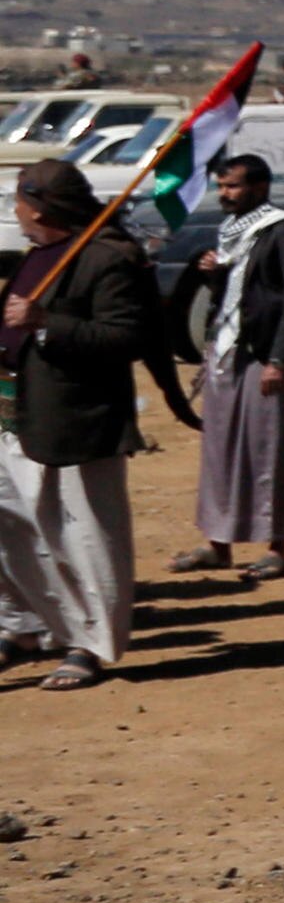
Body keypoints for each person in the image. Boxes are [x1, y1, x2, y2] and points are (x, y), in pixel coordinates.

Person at [2, 161, 157, 688]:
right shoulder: (38, 254)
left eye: (19, 201)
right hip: (15, 415)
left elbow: (127, 338)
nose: (15, 211)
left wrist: (47, 323)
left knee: (85, 538)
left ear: (41, 209)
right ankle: (21, 626)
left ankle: (89, 645)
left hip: (77, 420)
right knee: (10, 530)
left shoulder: (106, 258)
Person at [182, 151, 284, 583]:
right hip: (226, 350)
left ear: (259, 187)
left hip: (262, 354)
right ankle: (217, 543)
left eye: (233, 186)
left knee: (264, 448)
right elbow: (239, 292)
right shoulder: (231, 231)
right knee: (219, 449)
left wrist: (280, 360)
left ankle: (276, 548)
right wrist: (215, 274)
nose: (225, 194)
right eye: (221, 186)